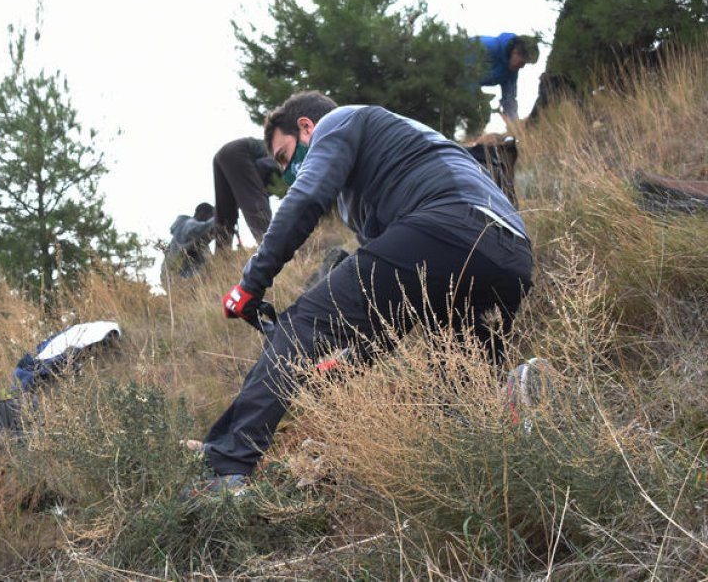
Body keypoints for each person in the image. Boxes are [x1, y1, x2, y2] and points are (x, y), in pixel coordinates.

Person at [199, 90, 533, 489]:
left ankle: (225, 469)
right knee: (458, 405)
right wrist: (353, 361)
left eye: (286, 157)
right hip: (510, 256)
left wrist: (250, 284)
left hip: (448, 224)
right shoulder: (380, 175)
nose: (287, 173)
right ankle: (515, 403)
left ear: (306, 127)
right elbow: (394, 305)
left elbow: (304, 199)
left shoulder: (339, 122)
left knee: (301, 326)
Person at [212, 137, 283, 250]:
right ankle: (273, 248)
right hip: (239, 152)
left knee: (225, 213)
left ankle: (221, 255)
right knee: (255, 202)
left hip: (221, 156)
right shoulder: (280, 156)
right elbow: (266, 166)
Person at [473, 33, 539, 125]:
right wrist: (478, 95)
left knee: (482, 112)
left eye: (525, 64)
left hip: (466, 87)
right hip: (450, 73)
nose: (522, 67)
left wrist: (515, 125)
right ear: (514, 52)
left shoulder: (511, 72)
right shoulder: (487, 47)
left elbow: (509, 100)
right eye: (522, 62)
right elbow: (462, 73)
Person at [164, 202, 216, 279]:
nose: (208, 220)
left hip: (181, 278)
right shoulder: (189, 223)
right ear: (203, 214)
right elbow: (204, 228)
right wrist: (219, 216)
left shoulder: (187, 233)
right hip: (188, 277)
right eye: (210, 217)